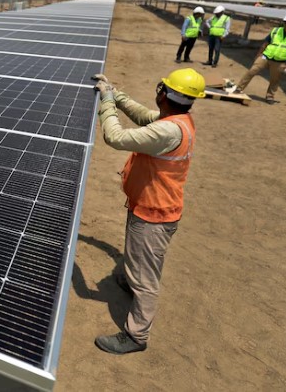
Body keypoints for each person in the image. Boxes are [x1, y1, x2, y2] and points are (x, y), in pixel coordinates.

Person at [91, 68, 205, 355]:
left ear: (164, 94)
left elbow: (115, 137)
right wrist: (116, 95)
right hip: (151, 206)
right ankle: (130, 280)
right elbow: (143, 115)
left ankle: (136, 335)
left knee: (146, 279)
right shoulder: (177, 120)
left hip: (155, 214)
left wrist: (106, 102)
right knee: (136, 258)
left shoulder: (168, 130)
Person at [235, 13, 286, 104]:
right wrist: (259, 54)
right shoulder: (276, 30)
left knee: (274, 80)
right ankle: (239, 88)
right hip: (266, 56)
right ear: (283, 22)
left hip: (280, 60)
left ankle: (270, 97)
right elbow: (266, 43)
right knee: (252, 71)